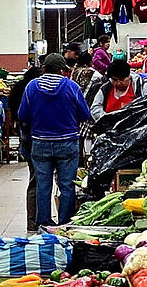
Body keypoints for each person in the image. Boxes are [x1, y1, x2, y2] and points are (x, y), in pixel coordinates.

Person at [16, 52, 92, 229]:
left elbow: (22, 115)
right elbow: (85, 114)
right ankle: (65, 223)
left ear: (43, 69)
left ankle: (43, 223)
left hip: (40, 143)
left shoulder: (32, 87)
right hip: (67, 142)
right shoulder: (71, 86)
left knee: (43, 185)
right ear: (62, 70)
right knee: (67, 185)